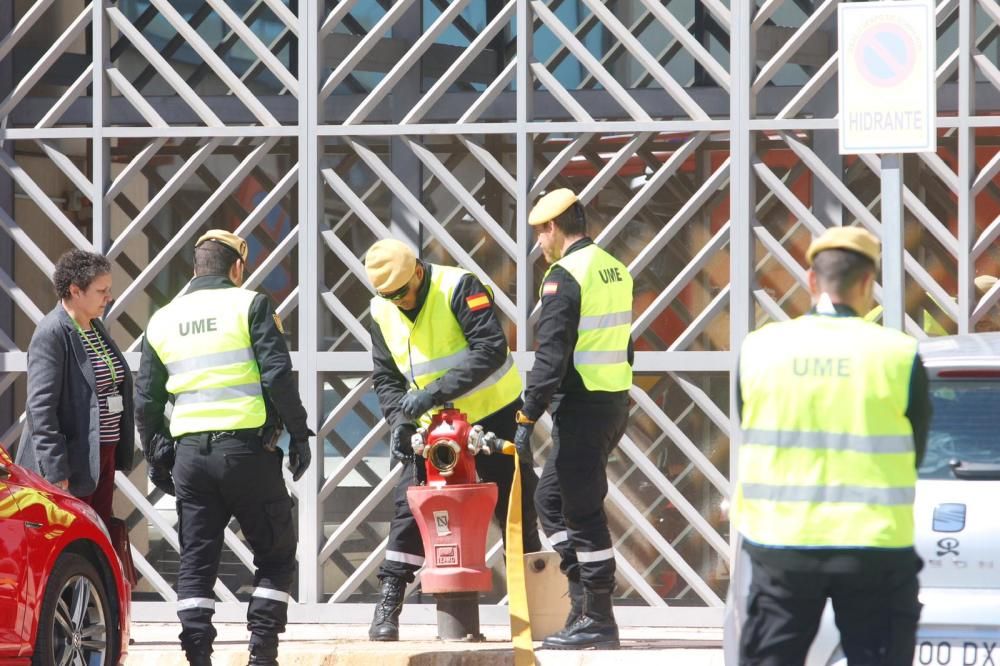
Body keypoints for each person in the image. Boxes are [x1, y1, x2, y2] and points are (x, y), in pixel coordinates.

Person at [732, 226, 931, 665]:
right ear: (867, 284)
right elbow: (914, 449)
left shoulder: (759, 349)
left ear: (810, 281)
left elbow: (750, 424)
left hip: (780, 544)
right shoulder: (898, 354)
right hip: (873, 549)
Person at [134, 230, 313, 666]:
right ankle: (262, 653)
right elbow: (277, 376)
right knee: (275, 552)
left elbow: (145, 398)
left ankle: (198, 656)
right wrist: (299, 434)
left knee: (196, 561)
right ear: (237, 267)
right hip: (247, 454)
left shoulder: (163, 319)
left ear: (195, 268)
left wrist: (158, 454)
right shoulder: (250, 304)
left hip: (192, 459)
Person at [363, 238, 542, 641]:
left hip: (493, 416)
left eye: (403, 294)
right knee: (408, 508)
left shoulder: (458, 287)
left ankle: (534, 610)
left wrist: (433, 392)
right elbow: (386, 377)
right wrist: (399, 422)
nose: (399, 304)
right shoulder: (382, 309)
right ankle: (388, 606)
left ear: (419, 273)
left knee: (518, 510)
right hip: (434, 425)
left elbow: (491, 349)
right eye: (389, 297)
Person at [518, 189, 634, 650]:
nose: (539, 245)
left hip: (584, 406)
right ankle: (584, 594)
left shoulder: (563, 275)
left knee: (583, 512)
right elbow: (622, 343)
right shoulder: (614, 268)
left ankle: (599, 619)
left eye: (539, 234)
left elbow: (551, 356)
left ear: (552, 228)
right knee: (551, 500)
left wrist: (526, 416)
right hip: (612, 403)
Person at [17, 249, 135, 524]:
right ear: (75, 290)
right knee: (74, 541)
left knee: (97, 536)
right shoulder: (52, 332)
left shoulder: (95, 327)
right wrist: (56, 471)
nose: (109, 297)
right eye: (101, 290)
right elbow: (41, 409)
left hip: (100, 456)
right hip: (70, 465)